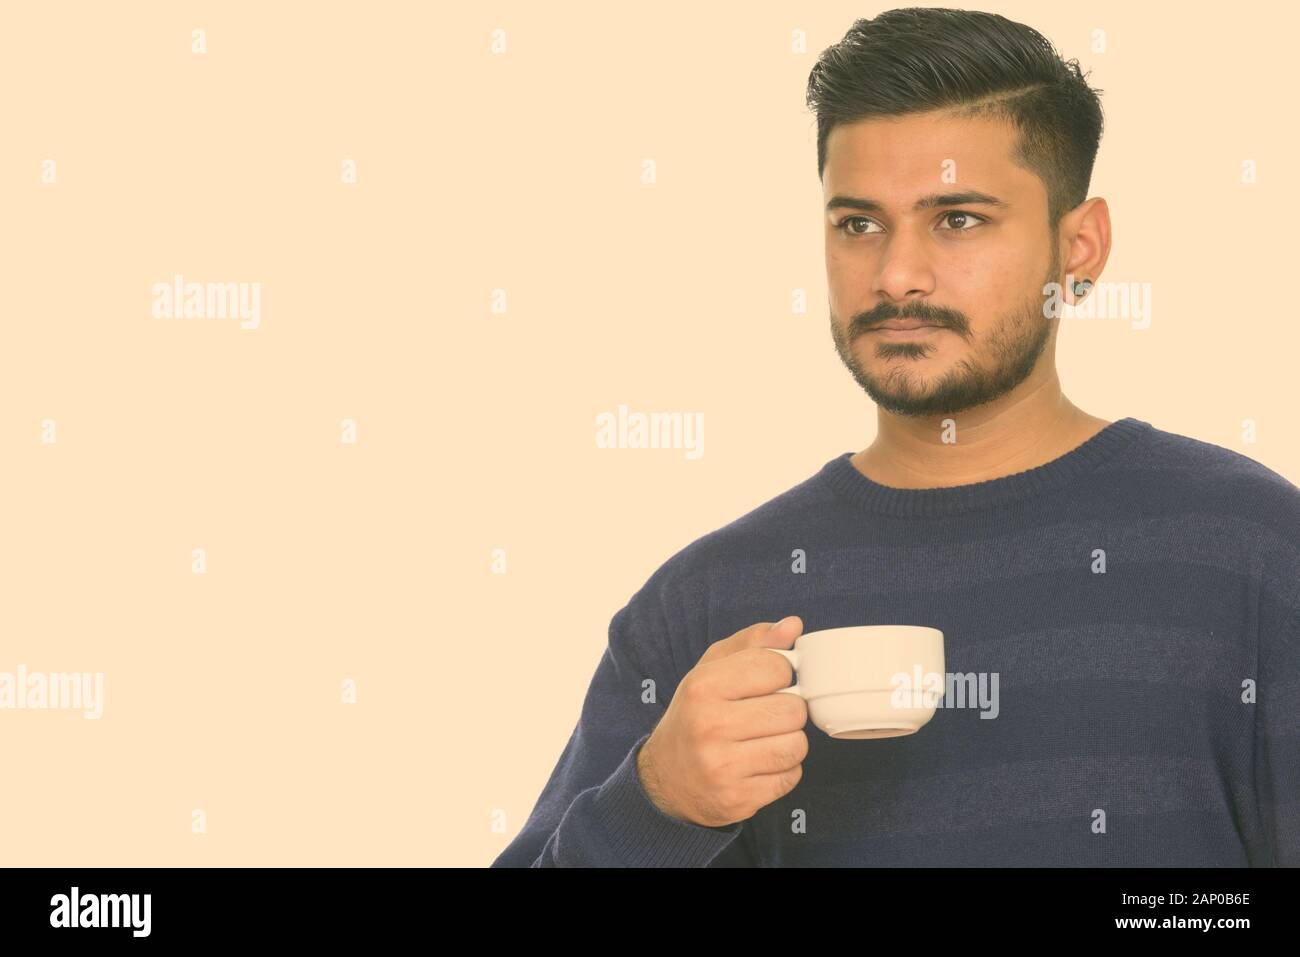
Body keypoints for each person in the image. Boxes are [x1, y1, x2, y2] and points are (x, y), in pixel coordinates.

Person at [492, 7, 1300, 867]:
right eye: (858, 223)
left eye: (957, 219)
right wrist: (655, 805)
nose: (896, 275)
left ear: (1081, 246)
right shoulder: (705, 606)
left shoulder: (1252, 551)